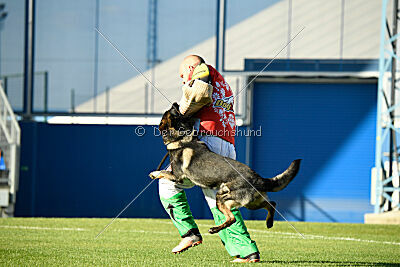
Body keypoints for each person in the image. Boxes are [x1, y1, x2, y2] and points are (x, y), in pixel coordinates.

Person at [157, 55, 260, 263]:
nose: (183, 80)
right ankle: (247, 251)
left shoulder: (203, 70)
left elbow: (200, 92)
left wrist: (180, 113)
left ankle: (189, 234)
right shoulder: (224, 85)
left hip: (208, 146)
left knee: (167, 185)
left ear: (191, 67)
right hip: (227, 145)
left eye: (182, 74)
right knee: (219, 200)